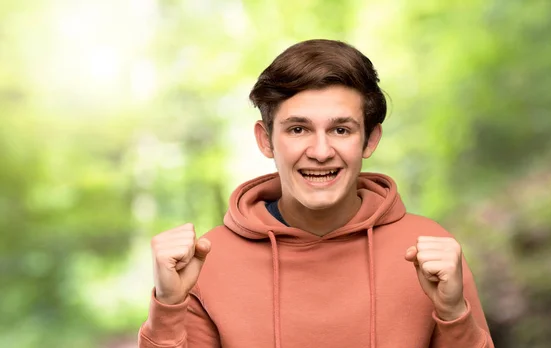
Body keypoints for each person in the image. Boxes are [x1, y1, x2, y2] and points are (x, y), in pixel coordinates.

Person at [138, 39, 494, 348]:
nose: (321, 151)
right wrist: (168, 306)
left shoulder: (431, 249)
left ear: (369, 140)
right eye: (298, 129)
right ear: (266, 140)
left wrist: (453, 314)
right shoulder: (208, 261)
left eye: (341, 130)